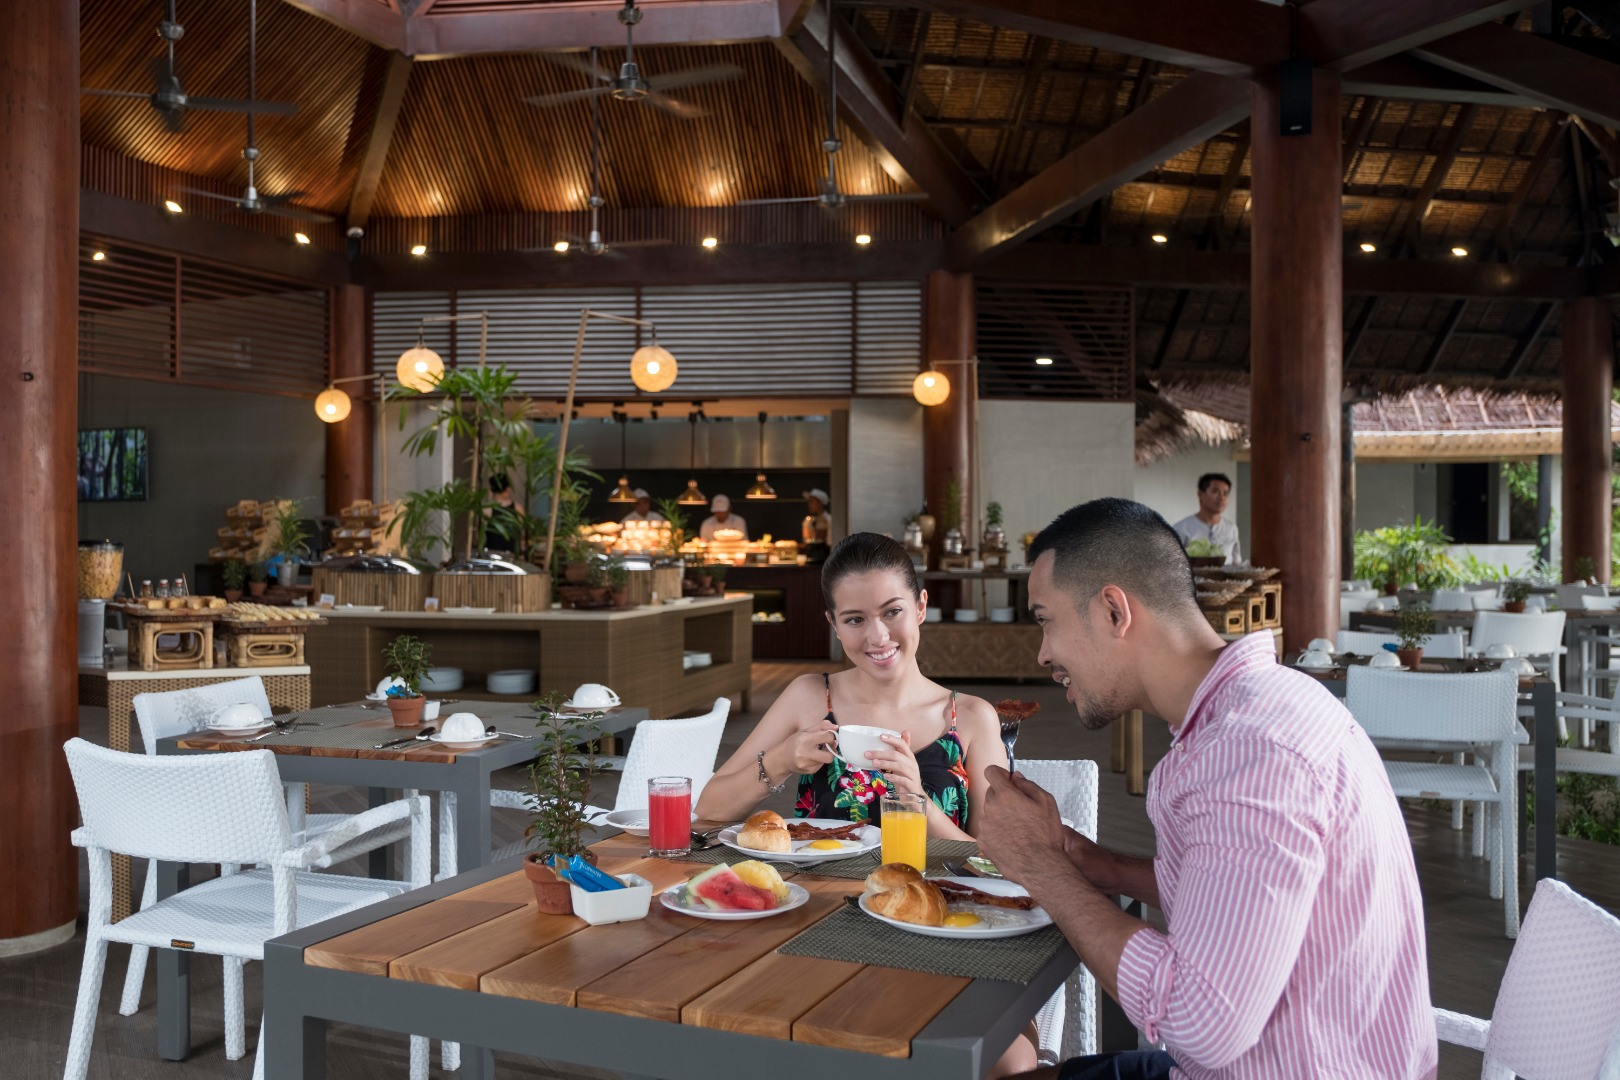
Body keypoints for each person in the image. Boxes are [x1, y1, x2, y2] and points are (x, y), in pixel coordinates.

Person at [978, 498, 1435, 1080]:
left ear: (1115, 611)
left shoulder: (1248, 752)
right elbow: (1234, 895)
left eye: (1046, 620)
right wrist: (1098, 865)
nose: (1043, 653)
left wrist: (1043, 869)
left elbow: (1200, 1022)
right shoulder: (1261, 708)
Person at [696, 531, 1037, 1076]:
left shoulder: (970, 717)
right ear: (833, 625)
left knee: (1011, 1060)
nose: (877, 635)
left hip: (941, 928)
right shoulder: (812, 696)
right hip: (817, 925)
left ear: (921, 607)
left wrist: (917, 801)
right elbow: (708, 810)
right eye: (854, 619)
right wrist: (783, 759)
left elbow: (1000, 858)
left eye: (892, 612)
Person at [1172, 473, 1241, 564]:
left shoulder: (1231, 528)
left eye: (1225, 493)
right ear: (1200, 494)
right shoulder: (1181, 529)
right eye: (1215, 491)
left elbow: (1236, 563)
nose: (1221, 497)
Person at [482, 472, 517, 552]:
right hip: (511, 553)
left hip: (491, 552)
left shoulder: (486, 509)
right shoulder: (518, 509)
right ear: (507, 489)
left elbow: (481, 534)